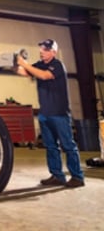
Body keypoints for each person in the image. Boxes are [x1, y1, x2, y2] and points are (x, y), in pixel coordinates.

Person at [15, 38, 84, 188]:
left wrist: (25, 64)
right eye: (41, 48)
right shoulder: (39, 65)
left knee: (68, 145)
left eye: (45, 49)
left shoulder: (57, 65)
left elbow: (44, 75)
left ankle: (77, 177)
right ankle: (57, 176)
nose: (42, 51)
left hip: (59, 113)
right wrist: (16, 63)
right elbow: (25, 72)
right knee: (51, 146)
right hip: (45, 113)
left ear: (53, 52)